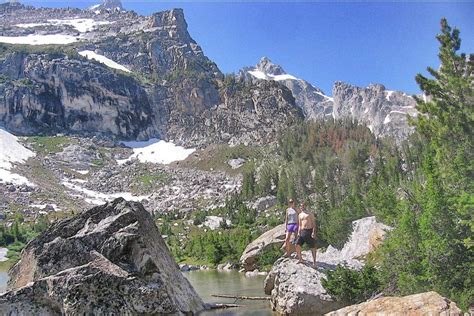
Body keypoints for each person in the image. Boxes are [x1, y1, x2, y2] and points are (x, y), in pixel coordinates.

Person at [295, 202, 317, 268]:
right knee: (297, 244)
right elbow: (299, 225)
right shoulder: (300, 215)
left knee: (312, 247)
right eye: (301, 206)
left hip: (309, 231)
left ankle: (314, 263)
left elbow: (314, 223)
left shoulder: (310, 214)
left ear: (305, 206)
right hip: (302, 231)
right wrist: (298, 232)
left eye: (303, 206)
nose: (302, 207)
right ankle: (300, 259)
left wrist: (313, 232)